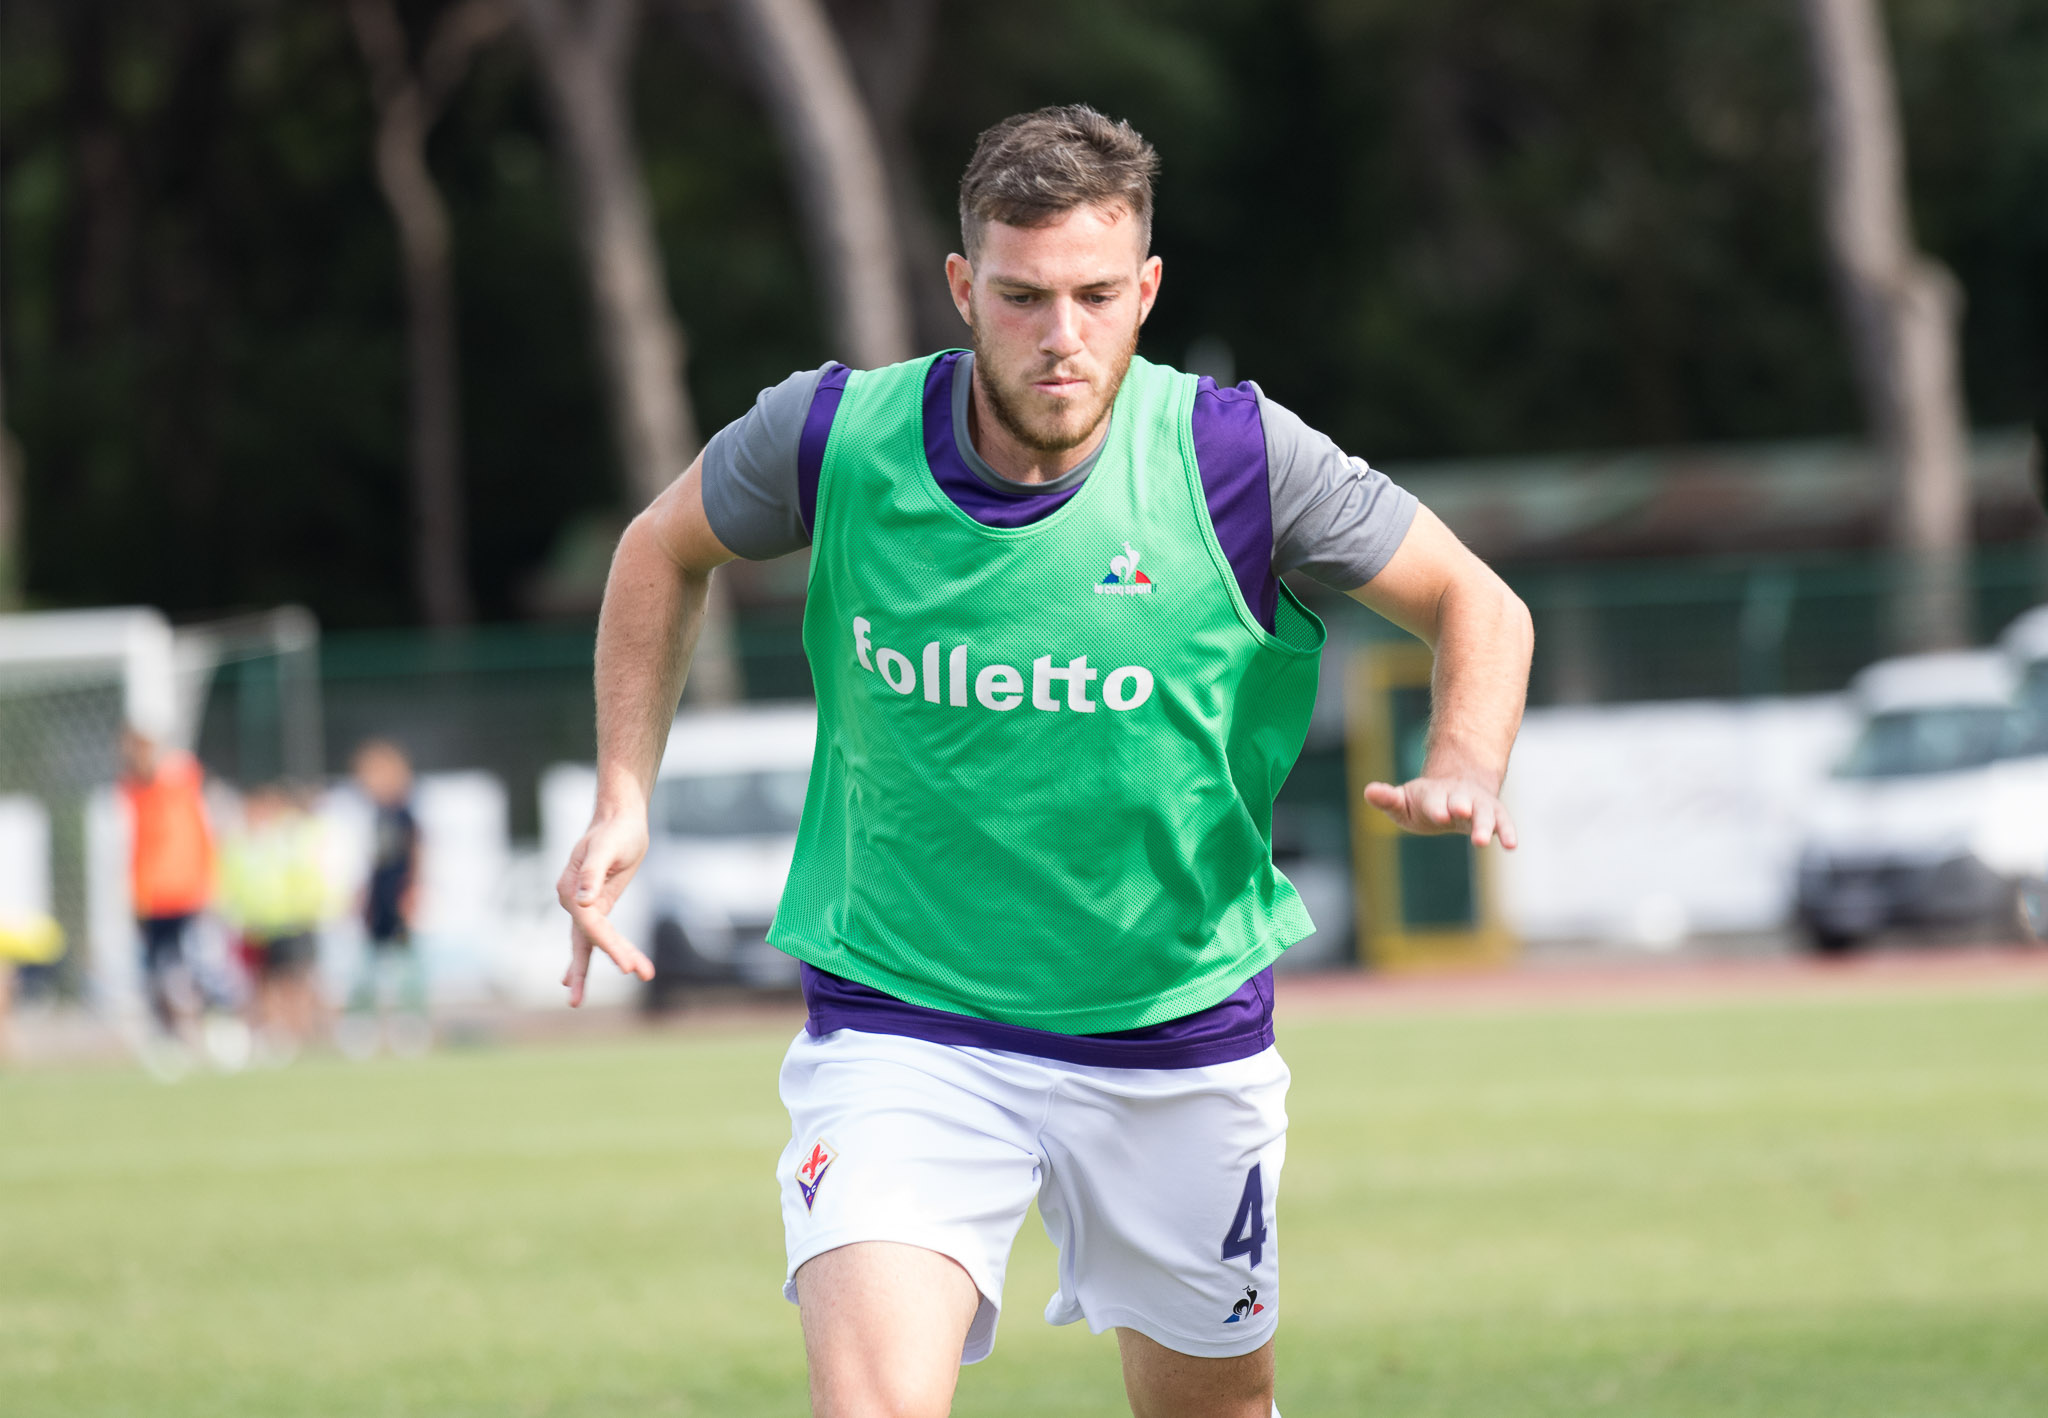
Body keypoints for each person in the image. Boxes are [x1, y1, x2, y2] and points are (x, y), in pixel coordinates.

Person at [557, 106, 1532, 1418]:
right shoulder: (832, 437)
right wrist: (625, 789)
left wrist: (1467, 754)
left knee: (1210, 1406)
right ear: (964, 287)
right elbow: (657, 548)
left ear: (1147, 290)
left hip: (1174, 1024)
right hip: (905, 1018)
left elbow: (1481, 604)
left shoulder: (1234, 456)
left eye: (1092, 296)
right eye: (1021, 298)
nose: (1060, 337)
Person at [119, 726, 217, 1052]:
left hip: (183, 891)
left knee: (185, 964)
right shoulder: (132, 793)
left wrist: (206, 880)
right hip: (151, 896)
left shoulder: (179, 784)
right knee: (157, 966)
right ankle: (169, 1032)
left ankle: (194, 1029)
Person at [218, 783, 329, 1063]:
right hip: (258, 924)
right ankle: (275, 1036)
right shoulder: (240, 843)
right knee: (264, 982)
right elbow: (233, 883)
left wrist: (305, 908)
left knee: (295, 980)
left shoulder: (287, 838)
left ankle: (301, 1034)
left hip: (292, 919)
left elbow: (303, 875)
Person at [340, 740, 428, 1058]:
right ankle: (360, 1026)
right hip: (377, 903)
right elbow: (374, 862)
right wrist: (362, 895)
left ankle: (411, 1025)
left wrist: (414, 889)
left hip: (398, 900)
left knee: (407, 967)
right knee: (367, 966)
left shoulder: (404, 812)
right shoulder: (376, 814)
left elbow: (417, 851)